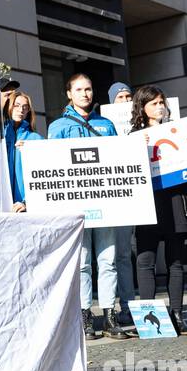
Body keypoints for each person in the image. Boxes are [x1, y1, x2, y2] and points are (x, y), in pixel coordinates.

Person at [48, 72, 129, 338]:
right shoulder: (58, 127)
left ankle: (109, 315)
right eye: (80, 89)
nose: (86, 94)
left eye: (89, 89)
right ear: (69, 94)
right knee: (82, 263)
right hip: (77, 207)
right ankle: (84, 316)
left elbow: (119, 159)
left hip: (105, 204)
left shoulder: (106, 124)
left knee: (108, 261)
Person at [128, 84, 187, 336]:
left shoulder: (178, 131)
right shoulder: (133, 136)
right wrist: (138, 147)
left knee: (176, 262)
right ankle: (149, 321)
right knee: (145, 261)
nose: (160, 107)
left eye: (162, 102)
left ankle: (178, 316)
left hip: (175, 202)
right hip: (148, 204)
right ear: (142, 108)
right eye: (154, 103)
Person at [107, 81, 136, 326]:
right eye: (120, 98)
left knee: (126, 255)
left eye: (128, 96)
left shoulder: (138, 124)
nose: (125, 101)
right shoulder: (104, 125)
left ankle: (128, 305)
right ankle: (109, 307)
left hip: (132, 196)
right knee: (110, 258)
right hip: (111, 198)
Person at [3, 90, 43, 212]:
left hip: (24, 208)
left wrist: (27, 202)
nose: (21, 110)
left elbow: (42, 177)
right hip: (0, 206)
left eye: (25, 107)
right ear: (8, 107)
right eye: (17, 105)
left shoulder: (36, 139)